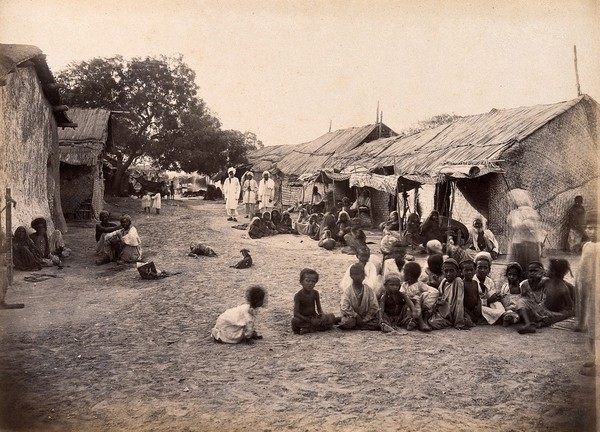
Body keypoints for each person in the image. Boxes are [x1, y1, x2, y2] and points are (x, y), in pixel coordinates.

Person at [516, 260, 574, 334]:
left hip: (551, 313)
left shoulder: (563, 287)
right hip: (541, 309)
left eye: (549, 270)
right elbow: (534, 288)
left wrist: (561, 314)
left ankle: (543, 321)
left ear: (554, 272)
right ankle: (528, 324)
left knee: (566, 315)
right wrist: (533, 279)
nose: (546, 271)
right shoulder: (547, 281)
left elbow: (570, 306)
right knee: (522, 301)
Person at [575, 209, 599, 376]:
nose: (592, 231)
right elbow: (583, 272)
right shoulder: (588, 246)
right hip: (592, 291)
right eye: (589, 228)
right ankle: (596, 358)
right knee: (593, 325)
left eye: (596, 228)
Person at [291, 268, 341, 334]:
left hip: (314, 317)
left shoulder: (315, 293)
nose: (310, 283)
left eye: (313, 281)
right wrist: (309, 320)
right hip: (304, 319)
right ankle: (313, 328)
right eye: (307, 281)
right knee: (294, 321)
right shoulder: (298, 296)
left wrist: (322, 315)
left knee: (331, 316)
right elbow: (296, 313)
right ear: (301, 282)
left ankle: (310, 329)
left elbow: (319, 309)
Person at [507, 188, 544, 273]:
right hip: (523, 242)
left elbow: (517, 225)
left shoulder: (522, 212)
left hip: (524, 243)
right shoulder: (517, 212)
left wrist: (521, 222)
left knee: (526, 266)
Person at [428, 258, 468, 330]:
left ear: (457, 272)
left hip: (450, 314)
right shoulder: (444, 281)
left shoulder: (458, 281)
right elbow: (439, 295)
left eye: (451, 271)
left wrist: (459, 322)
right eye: (446, 271)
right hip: (442, 310)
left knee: (433, 322)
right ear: (443, 272)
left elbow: (459, 302)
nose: (448, 274)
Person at [338, 263, 381, 330]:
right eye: (354, 274)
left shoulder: (369, 290)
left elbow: (374, 306)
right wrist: (355, 315)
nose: (357, 277)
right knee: (347, 322)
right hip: (352, 317)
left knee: (378, 322)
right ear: (351, 276)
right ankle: (361, 325)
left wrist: (366, 318)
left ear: (363, 276)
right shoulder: (348, 290)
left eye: (359, 274)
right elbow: (344, 306)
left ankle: (360, 325)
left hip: (366, 316)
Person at [400, 262, 438, 331]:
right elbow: (401, 294)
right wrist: (408, 298)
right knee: (411, 306)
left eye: (405, 272)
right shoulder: (404, 285)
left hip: (419, 306)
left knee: (418, 298)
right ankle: (413, 322)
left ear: (410, 275)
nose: (403, 275)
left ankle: (421, 322)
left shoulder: (420, 285)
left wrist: (424, 301)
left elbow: (434, 292)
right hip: (407, 305)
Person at [474, 251, 505, 324]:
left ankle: (500, 315)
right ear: (475, 268)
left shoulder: (490, 281)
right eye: (479, 268)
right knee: (480, 308)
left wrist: (491, 299)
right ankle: (502, 316)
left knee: (497, 304)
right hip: (478, 307)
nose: (482, 270)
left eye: (485, 268)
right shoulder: (472, 281)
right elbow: (474, 302)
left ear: (489, 270)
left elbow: (493, 297)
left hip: (488, 305)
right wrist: (487, 301)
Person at [460, 259, 481, 326]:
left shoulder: (475, 283)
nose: (469, 272)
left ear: (475, 271)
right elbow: (461, 302)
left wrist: (479, 305)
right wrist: (469, 313)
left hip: (475, 309)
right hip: (466, 310)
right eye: (466, 270)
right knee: (468, 322)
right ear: (461, 272)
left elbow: (478, 297)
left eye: (471, 270)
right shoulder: (462, 284)